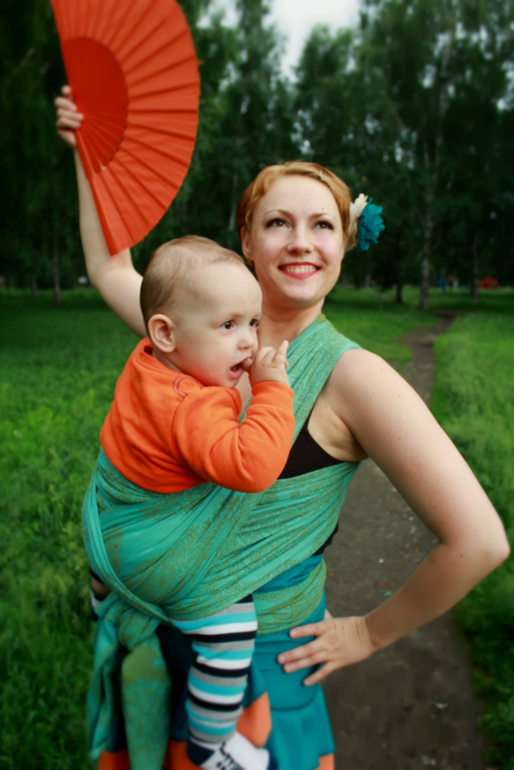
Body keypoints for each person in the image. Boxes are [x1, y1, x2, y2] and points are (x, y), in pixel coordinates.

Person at [55, 87, 510, 770]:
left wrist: (367, 633)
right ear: (245, 239)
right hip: (152, 644)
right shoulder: (196, 332)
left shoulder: (354, 378)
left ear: (345, 243)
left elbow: (479, 541)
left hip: (254, 675)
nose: (301, 241)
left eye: (322, 225)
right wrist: (88, 150)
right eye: (278, 223)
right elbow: (109, 268)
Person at [89, 234, 295, 770]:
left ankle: (101, 594)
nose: (249, 342)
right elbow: (252, 467)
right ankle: (208, 743)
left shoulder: (147, 361)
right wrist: (272, 392)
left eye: (253, 323)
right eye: (228, 325)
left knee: (112, 535)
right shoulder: (192, 407)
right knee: (231, 637)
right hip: (153, 553)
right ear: (166, 332)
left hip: (110, 527)